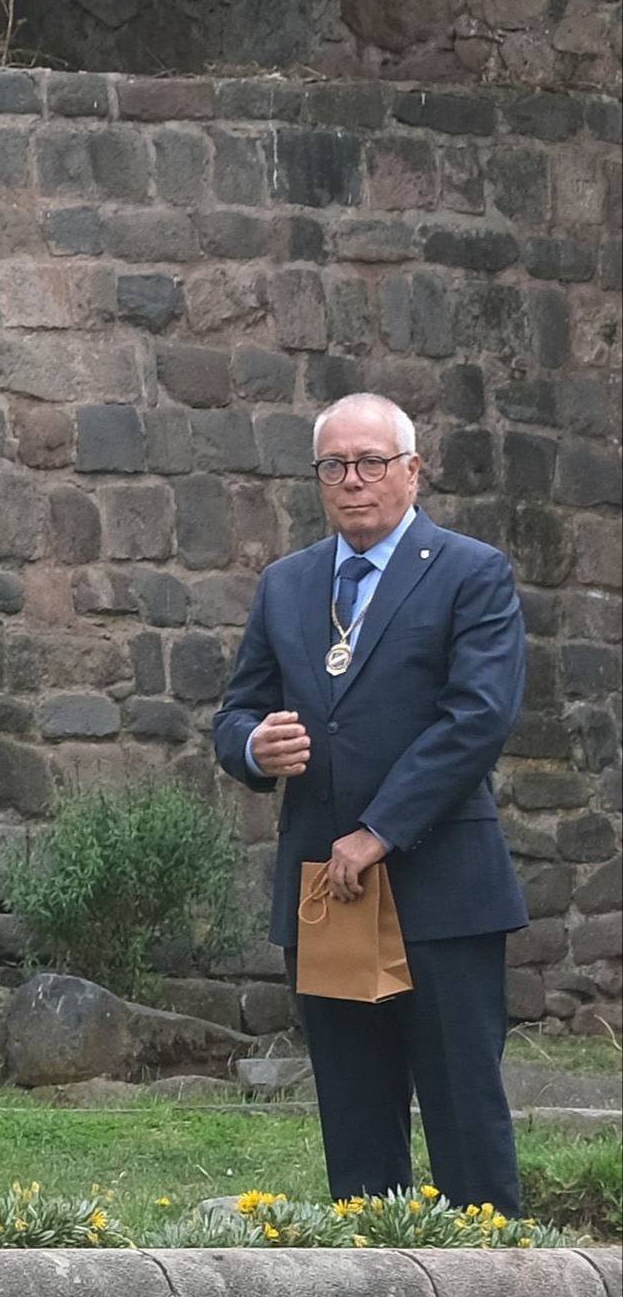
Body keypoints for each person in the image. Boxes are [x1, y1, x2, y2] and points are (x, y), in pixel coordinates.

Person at [214, 393, 525, 1213]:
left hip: (441, 888)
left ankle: (492, 1277)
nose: (351, 480)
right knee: (354, 1120)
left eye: (370, 463)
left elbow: (476, 718)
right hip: (329, 891)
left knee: (463, 1111)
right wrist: (253, 747)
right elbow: (236, 713)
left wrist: (379, 831)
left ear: (411, 471)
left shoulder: (469, 572)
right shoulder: (285, 585)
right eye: (333, 465)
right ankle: (370, 1277)